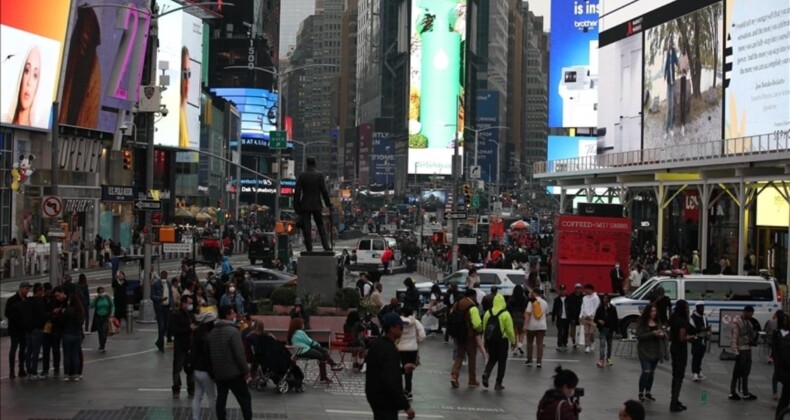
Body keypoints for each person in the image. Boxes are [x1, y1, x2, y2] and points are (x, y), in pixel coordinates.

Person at [365, 312, 416, 420]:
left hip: (374, 396)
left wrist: (402, 370)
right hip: (385, 400)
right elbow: (391, 381)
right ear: (392, 329)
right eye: (400, 327)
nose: (402, 330)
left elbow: (381, 370)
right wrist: (406, 406)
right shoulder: (389, 349)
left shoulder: (377, 344)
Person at [208, 305, 251, 420]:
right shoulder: (233, 331)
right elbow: (239, 354)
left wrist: (213, 373)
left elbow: (209, 354)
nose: (235, 315)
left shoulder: (212, 333)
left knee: (221, 399)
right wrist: (245, 371)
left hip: (219, 373)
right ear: (227, 315)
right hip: (234, 373)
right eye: (232, 313)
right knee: (245, 398)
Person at [294, 156, 332, 251]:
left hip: (305, 204)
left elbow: (297, 193)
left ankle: (309, 248)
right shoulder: (319, 175)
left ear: (307, 164)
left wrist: (296, 207)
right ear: (315, 164)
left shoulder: (302, 176)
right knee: (320, 225)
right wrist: (328, 204)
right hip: (316, 204)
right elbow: (324, 191)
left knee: (306, 227)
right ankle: (326, 246)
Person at [287, 317, 342, 383]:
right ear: (299, 325)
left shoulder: (293, 333)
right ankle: (328, 370)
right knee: (321, 355)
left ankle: (331, 367)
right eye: (302, 324)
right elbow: (309, 341)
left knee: (323, 352)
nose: (303, 325)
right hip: (304, 350)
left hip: (300, 350)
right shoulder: (299, 332)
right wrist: (317, 344)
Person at [450, 289, 482, 388]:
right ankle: (472, 380)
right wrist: (480, 330)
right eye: (475, 296)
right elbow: (477, 324)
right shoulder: (473, 307)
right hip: (470, 335)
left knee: (460, 355)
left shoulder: (457, 304)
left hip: (459, 334)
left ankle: (454, 376)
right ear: (472, 296)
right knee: (472, 357)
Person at [482, 294, 515, 390]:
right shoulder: (506, 314)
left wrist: (485, 340)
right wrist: (513, 341)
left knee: (492, 358)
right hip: (502, 340)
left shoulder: (488, 313)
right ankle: (498, 383)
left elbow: (484, 328)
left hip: (490, 340)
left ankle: (486, 373)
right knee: (502, 362)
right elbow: (510, 330)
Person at [668, 300, 696, 412]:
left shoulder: (674, 318)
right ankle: (674, 402)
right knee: (679, 376)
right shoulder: (682, 322)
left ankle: (675, 399)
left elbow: (671, 336)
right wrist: (691, 338)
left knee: (675, 375)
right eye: (687, 307)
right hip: (680, 350)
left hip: (673, 348)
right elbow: (682, 338)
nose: (688, 310)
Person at [190, 310, 217, 420]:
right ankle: (215, 417)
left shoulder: (198, 334)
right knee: (212, 397)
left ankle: (195, 418)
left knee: (197, 396)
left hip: (196, 369)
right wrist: (213, 374)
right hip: (206, 371)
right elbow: (208, 358)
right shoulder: (208, 336)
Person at [6, 46, 42, 126]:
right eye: (27, 70)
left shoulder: (38, 133)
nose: (29, 82)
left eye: (35, 75)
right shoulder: (4, 121)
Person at [636, 303, 664, 403]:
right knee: (646, 371)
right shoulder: (642, 322)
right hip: (644, 350)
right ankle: (640, 392)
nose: (654, 313)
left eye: (655, 311)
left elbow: (663, 333)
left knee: (651, 372)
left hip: (655, 350)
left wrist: (661, 334)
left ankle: (648, 392)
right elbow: (639, 336)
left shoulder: (657, 322)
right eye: (652, 311)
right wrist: (652, 333)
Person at [729, 305, 758, 401]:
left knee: (746, 372)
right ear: (745, 312)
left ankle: (745, 392)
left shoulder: (748, 322)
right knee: (736, 373)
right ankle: (732, 392)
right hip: (741, 350)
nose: (751, 316)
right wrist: (736, 353)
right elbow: (734, 339)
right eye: (750, 313)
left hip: (747, 349)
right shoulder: (737, 323)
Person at [170, 295, 196, 398]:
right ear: (183, 303)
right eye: (189, 303)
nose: (190, 305)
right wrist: (188, 329)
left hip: (190, 346)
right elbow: (174, 330)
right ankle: (176, 388)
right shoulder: (176, 315)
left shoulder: (190, 314)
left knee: (190, 369)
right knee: (177, 369)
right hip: (181, 346)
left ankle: (191, 389)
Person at [398, 306, 426, 399]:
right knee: (409, 370)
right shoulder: (416, 322)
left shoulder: (399, 321)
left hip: (401, 348)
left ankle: (399, 389)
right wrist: (416, 340)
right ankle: (408, 390)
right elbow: (422, 335)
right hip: (412, 349)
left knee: (400, 368)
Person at [5, 281, 31, 378]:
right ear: (21, 288)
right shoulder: (12, 300)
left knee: (23, 349)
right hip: (15, 329)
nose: (27, 291)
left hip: (24, 329)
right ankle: (12, 371)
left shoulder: (27, 300)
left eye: (28, 289)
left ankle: (21, 369)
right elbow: (7, 313)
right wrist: (19, 318)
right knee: (14, 349)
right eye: (26, 289)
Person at [61, 294, 85, 382]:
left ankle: (67, 374)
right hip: (77, 334)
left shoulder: (67, 310)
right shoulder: (80, 311)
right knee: (75, 355)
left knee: (67, 355)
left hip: (67, 334)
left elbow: (62, 322)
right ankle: (76, 374)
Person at [26, 283, 47, 379]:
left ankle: (29, 372)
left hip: (29, 329)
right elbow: (42, 316)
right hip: (38, 329)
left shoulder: (28, 301)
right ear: (38, 291)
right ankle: (34, 372)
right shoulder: (39, 302)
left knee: (29, 351)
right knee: (36, 351)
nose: (43, 293)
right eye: (42, 290)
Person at [524, 288, 548, 367]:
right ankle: (539, 361)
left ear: (534, 293)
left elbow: (527, 314)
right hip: (542, 326)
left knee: (530, 343)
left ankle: (530, 360)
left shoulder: (531, 302)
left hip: (531, 326)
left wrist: (525, 325)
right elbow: (546, 313)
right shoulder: (544, 302)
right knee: (540, 344)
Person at [772, 312, 790, 419]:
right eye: (784, 320)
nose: (785, 322)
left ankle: (780, 415)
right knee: (785, 395)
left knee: (786, 395)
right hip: (783, 367)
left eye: (787, 320)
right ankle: (779, 416)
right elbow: (775, 349)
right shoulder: (777, 333)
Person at [594, 294, 619, 367]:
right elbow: (595, 318)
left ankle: (608, 359)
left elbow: (615, 320)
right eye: (604, 300)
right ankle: (601, 360)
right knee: (602, 345)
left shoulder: (612, 308)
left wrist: (617, 331)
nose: (605, 301)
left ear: (609, 301)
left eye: (606, 300)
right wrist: (599, 321)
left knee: (609, 345)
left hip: (610, 329)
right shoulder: (600, 308)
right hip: (602, 329)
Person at [151, 270, 173, 352]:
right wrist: (160, 298)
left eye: (165, 275)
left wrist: (172, 304)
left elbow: (170, 295)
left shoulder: (169, 283)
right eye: (163, 275)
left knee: (166, 325)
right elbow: (152, 296)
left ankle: (159, 342)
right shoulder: (155, 285)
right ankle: (161, 345)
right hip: (160, 307)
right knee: (161, 325)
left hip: (167, 307)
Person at [689, 301, 710, 382]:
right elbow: (691, 330)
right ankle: (695, 373)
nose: (702, 309)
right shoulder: (692, 318)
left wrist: (707, 330)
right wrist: (701, 329)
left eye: (703, 307)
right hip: (696, 338)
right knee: (696, 356)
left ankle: (699, 371)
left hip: (703, 338)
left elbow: (706, 325)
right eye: (700, 307)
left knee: (701, 356)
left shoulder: (704, 316)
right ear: (697, 308)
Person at [89, 286, 114, 353]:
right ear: (98, 293)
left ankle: (103, 344)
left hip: (105, 317)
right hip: (98, 317)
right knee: (100, 333)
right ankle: (101, 345)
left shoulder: (107, 298)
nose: (102, 293)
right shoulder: (97, 299)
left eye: (103, 291)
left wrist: (112, 313)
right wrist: (95, 299)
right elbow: (91, 306)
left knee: (104, 332)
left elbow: (112, 305)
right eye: (100, 292)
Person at [663, 37, 679, 139]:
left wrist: (681, 67)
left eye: (671, 44)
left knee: (672, 107)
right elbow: (665, 67)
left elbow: (677, 62)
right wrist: (664, 75)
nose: (670, 46)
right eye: (669, 44)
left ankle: (671, 128)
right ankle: (666, 130)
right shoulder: (667, 55)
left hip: (673, 84)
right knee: (668, 107)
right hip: (669, 83)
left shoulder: (673, 54)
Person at [579, 283, 600, 353]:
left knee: (591, 333)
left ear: (590, 289)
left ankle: (592, 342)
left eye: (586, 290)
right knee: (586, 333)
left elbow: (596, 308)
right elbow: (582, 307)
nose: (585, 291)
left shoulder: (596, 298)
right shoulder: (584, 298)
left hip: (592, 318)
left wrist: (590, 315)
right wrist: (581, 315)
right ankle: (587, 346)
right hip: (585, 317)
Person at [508, 284, 528, 355]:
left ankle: (515, 348)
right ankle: (520, 345)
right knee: (521, 332)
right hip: (521, 317)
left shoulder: (511, 298)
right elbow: (526, 309)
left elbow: (508, 308)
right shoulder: (525, 298)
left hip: (513, 317)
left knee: (515, 333)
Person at [551, 284, 571, 352]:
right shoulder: (557, 300)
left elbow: (572, 309)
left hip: (567, 318)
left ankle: (564, 344)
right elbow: (554, 310)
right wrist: (553, 319)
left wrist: (572, 318)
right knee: (560, 331)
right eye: (561, 290)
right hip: (559, 318)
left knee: (565, 331)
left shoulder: (569, 299)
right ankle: (559, 344)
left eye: (564, 290)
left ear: (566, 290)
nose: (562, 292)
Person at [179, 46, 191, 148]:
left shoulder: (183, 110)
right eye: (184, 74)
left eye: (189, 74)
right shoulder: (176, 112)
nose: (187, 82)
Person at [566, 284, 583, 349]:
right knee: (573, 329)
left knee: (579, 330)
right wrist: (571, 317)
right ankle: (574, 342)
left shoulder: (582, 297)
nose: (578, 289)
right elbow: (569, 307)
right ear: (575, 289)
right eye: (576, 288)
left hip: (580, 316)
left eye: (579, 288)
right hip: (573, 316)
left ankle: (578, 341)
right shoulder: (571, 296)